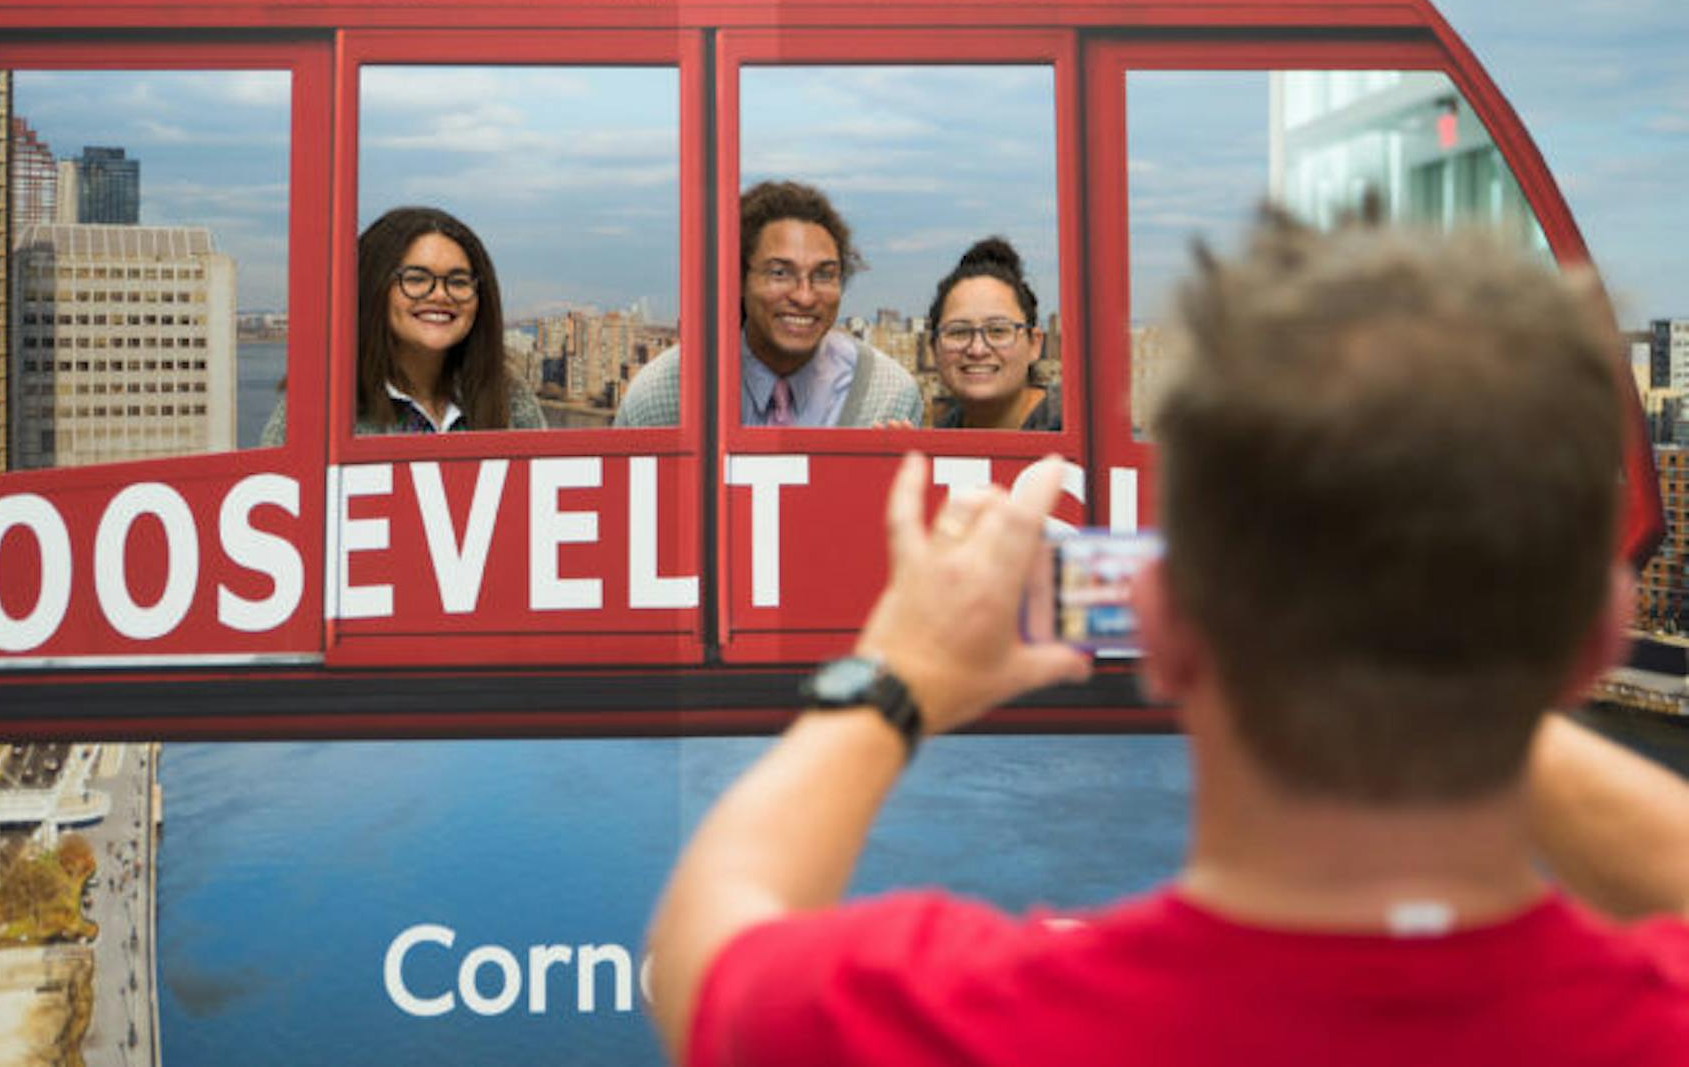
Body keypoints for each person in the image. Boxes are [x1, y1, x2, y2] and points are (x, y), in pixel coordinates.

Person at [648, 214, 1689, 1066]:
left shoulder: (972, 1020)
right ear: (1593, 637)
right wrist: (1458, 685)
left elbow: (703, 948)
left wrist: (892, 681)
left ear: (1165, 620)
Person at [614, 180, 923, 428]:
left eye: (824, 275)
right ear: (737, 279)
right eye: (779, 273)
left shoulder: (887, 395)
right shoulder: (662, 395)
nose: (804, 296)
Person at [260, 206, 543, 441]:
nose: (441, 295)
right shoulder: (317, 409)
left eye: (458, 282)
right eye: (416, 279)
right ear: (373, 288)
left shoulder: (510, 398)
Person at [927, 236, 1059, 431]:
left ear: (1034, 344)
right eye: (959, 332)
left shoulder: (1074, 427)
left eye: (997, 331)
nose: (977, 349)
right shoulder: (946, 433)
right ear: (933, 348)